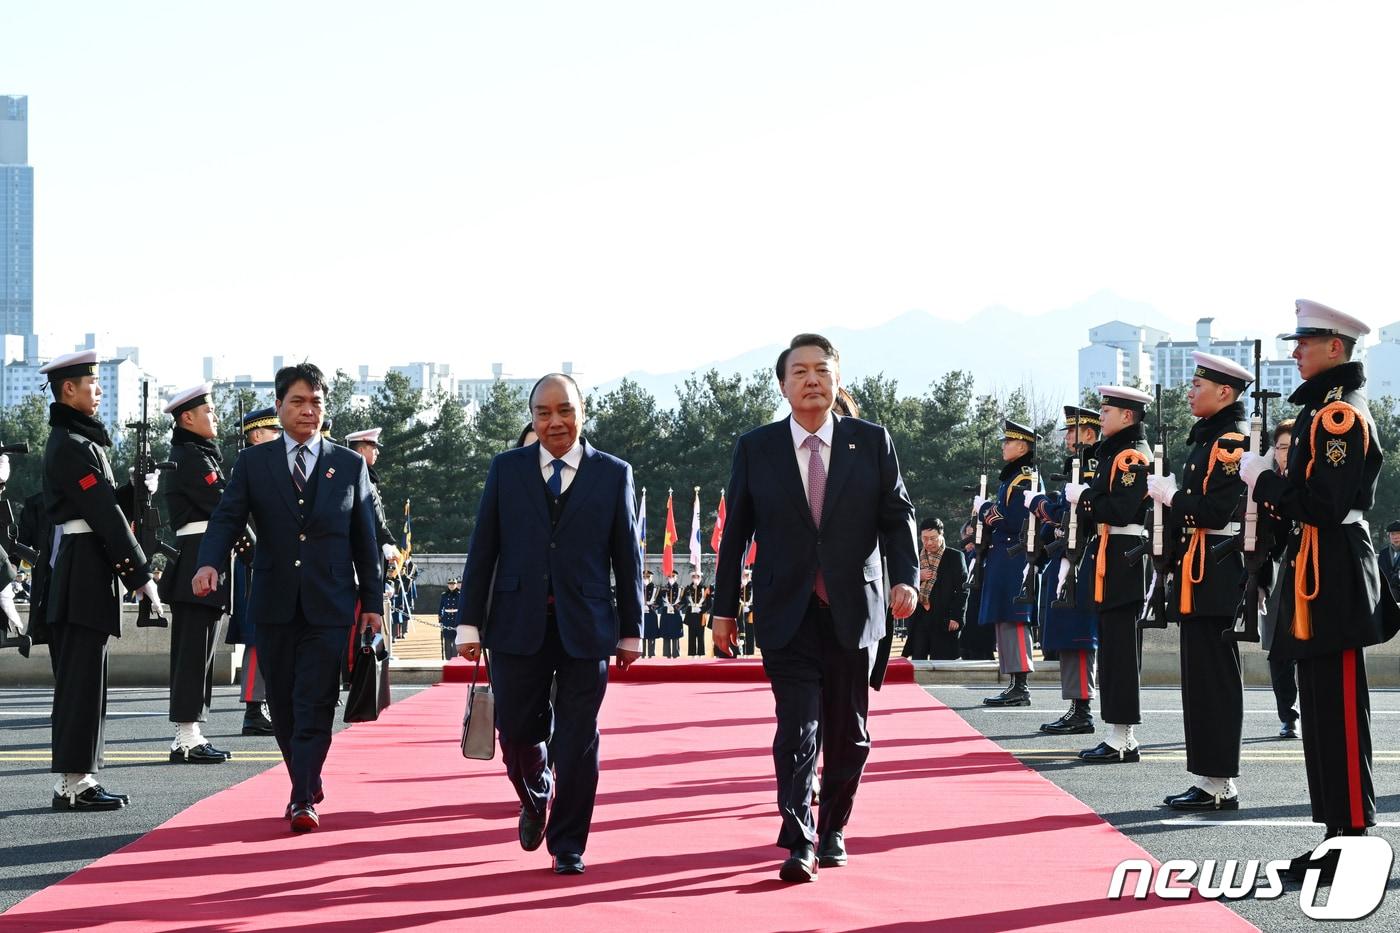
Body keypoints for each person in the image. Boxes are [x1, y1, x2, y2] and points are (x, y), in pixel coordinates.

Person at [712, 332, 918, 883]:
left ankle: (833, 829)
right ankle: (799, 837)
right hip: (787, 610)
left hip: (856, 609)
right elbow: (736, 535)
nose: (811, 380)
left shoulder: (871, 441)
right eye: (799, 371)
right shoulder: (757, 447)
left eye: (821, 370)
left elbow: (898, 516)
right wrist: (723, 608)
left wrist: (908, 579)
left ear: (836, 380)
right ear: (782, 385)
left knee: (849, 732)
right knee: (798, 728)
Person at [456, 372, 644, 876]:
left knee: (578, 739)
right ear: (533, 417)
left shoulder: (613, 473)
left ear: (582, 413)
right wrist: (469, 624)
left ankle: (568, 844)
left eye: (565, 410)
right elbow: (484, 550)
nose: (554, 421)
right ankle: (534, 793)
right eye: (543, 413)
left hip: (587, 627)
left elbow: (627, 557)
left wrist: (632, 630)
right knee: (517, 731)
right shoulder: (506, 470)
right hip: (516, 625)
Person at [1239, 299, 1398, 883]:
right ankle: (1335, 833)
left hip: (1333, 574)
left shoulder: (1339, 417)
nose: (1295, 351)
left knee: (1339, 711)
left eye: (1305, 342)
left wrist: (1269, 484)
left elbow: (1327, 505)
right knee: (1321, 713)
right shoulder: (1320, 412)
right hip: (1316, 569)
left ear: (1337, 347)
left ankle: (1353, 837)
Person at [193, 362, 383, 833]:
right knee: (281, 700)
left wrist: (374, 605)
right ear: (279, 407)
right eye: (297, 401)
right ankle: (307, 776)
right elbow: (227, 518)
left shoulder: (350, 464)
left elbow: (367, 541)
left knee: (315, 699)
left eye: (316, 402)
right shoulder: (255, 463)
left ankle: (301, 796)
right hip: (274, 600)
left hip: (331, 603)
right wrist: (208, 562)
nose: (308, 410)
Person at [40, 349, 164, 811]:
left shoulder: (79, 441)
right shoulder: (71, 445)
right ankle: (74, 783)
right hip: (81, 571)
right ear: (68, 389)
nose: (99, 391)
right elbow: (105, 517)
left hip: (87, 567)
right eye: (92, 384)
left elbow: (108, 505)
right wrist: (142, 575)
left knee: (88, 680)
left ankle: (80, 778)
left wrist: (137, 490)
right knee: (81, 682)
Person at [1147, 352, 1251, 810]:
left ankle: (1219, 781)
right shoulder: (1209, 437)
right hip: (1199, 570)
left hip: (1218, 571)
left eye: (1197, 385)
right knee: (1200, 679)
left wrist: (1172, 496)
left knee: (1214, 680)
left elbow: (1215, 511)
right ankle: (1209, 777)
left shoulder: (1229, 442)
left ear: (1224, 392)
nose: (1189, 392)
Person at [159, 383, 251, 764]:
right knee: (194, 653)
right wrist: (256, 552)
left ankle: (190, 733)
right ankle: (186, 736)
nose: (215, 417)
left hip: (204, 555)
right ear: (187, 418)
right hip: (199, 557)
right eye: (209, 411)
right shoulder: (192, 458)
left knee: (201, 652)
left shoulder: (198, 454)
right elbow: (225, 506)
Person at [1066, 385, 1152, 763]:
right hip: (1110, 554)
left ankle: (1124, 736)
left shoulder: (1132, 456)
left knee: (1120, 651)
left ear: (1128, 416)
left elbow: (1120, 510)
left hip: (1125, 556)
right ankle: (1119, 733)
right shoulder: (1115, 453)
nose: (1101, 415)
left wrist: (1083, 498)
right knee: (1113, 647)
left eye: (1107, 409)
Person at [1030, 406, 1101, 734]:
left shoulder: (1090, 465)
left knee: (1079, 634)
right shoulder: (1077, 464)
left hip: (1083, 556)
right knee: (1071, 634)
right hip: (1072, 556)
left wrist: (1042, 506)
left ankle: (1082, 708)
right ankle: (1077, 705)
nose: (1067, 438)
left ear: (1088, 434)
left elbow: (1075, 512)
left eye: (1073, 432)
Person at [974, 419, 1040, 707]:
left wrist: (986, 509)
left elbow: (1015, 519)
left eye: (1008, 442)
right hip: (1005, 554)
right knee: (1005, 618)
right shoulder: (1012, 476)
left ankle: (1020, 684)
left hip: (1014, 554)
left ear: (1022, 446)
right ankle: (1014, 681)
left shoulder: (1024, 478)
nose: (1004, 446)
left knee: (1015, 618)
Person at [226, 406, 280, 736]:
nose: (280, 436)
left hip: (273, 561)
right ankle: (253, 708)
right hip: (255, 562)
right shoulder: (249, 469)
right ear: (257, 435)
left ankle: (266, 702)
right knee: (257, 638)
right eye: (274, 431)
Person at [1261, 418, 1300, 740]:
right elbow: (1266, 541)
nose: (1285, 454)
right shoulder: (1269, 485)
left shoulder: (1307, 485)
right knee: (1279, 653)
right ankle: (1289, 715)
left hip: (1310, 575)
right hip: (1280, 578)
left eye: (1291, 447)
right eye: (1281, 448)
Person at [904, 517, 967, 661]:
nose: (929, 543)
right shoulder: (915, 557)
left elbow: (963, 590)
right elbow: (904, 582)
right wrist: (917, 576)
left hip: (944, 616)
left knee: (942, 660)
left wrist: (956, 617)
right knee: (917, 658)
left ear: (941, 534)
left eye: (933, 538)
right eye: (925, 539)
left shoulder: (955, 557)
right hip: (920, 615)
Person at [682, 570, 706, 657]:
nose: (696, 579)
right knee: (691, 635)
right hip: (691, 615)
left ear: (700, 578)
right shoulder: (688, 589)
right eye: (694, 577)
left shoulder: (705, 588)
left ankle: (700, 654)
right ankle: (692, 653)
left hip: (700, 615)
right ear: (692, 578)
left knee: (700, 635)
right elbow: (684, 600)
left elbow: (709, 603)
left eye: (697, 577)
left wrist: (702, 609)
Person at [660, 570, 683, 658]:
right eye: (669, 576)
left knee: (675, 633)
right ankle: (667, 654)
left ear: (676, 577)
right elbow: (659, 600)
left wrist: (678, 606)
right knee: (666, 633)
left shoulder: (681, 589)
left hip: (676, 613)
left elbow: (685, 601)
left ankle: (675, 653)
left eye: (673, 576)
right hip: (666, 613)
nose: (671, 578)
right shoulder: (663, 589)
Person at [438, 577, 461, 661]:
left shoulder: (460, 594)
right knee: (447, 640)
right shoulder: (444, 595)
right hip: (446, 619)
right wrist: (440, 619)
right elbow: (441, 607)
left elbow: (462, 608)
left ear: (456, 585)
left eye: (453, 584)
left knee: (456, 641)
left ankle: (455, 658)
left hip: (456, 619)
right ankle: (448, 658)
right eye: (450, 584)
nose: (451, 586)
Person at [642, 569, 661, 658]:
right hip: (641, 614)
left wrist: (654, 606)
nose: (645, 578)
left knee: (651, 635)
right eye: (644, 577)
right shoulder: (639, 587)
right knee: (642, 635)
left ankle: (651, 654)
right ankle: (642, 653)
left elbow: (660, 602)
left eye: (648, 577)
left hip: (651, 613)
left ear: (651, 578)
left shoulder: (655, 588)